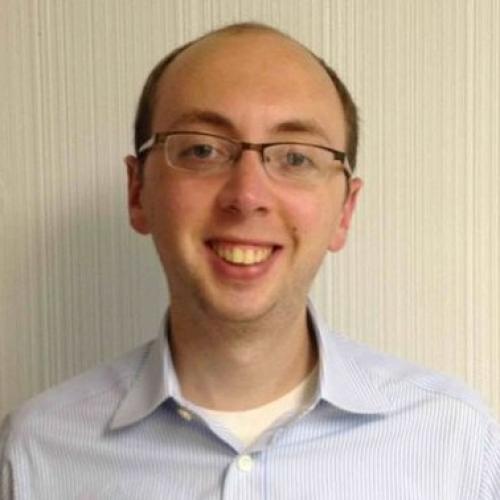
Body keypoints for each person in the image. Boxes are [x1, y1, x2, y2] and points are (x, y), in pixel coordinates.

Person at [1, 22, 499, 499]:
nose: (247, 195)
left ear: (345, 211)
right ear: (138, 192)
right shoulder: (33, 454)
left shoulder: (456, 444)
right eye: (202, 150)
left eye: (296, 157)